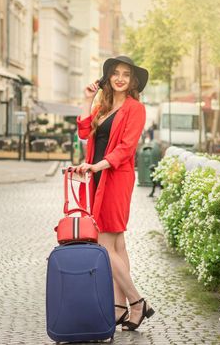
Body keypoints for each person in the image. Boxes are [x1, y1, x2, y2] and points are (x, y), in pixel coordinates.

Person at [74, 56, 155, 331]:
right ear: (107, 78)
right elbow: (85, 133)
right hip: (97, 178)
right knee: (117, 244)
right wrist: (87, 99)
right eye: (115, 73)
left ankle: (137, 301)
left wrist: (98, 165)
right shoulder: (103, 105)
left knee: (102, 243)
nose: (120, 78)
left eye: (126, 74)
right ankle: (121, 307)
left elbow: (126, 147)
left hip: (115, 178)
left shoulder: (136, 109)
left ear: (132, 81)